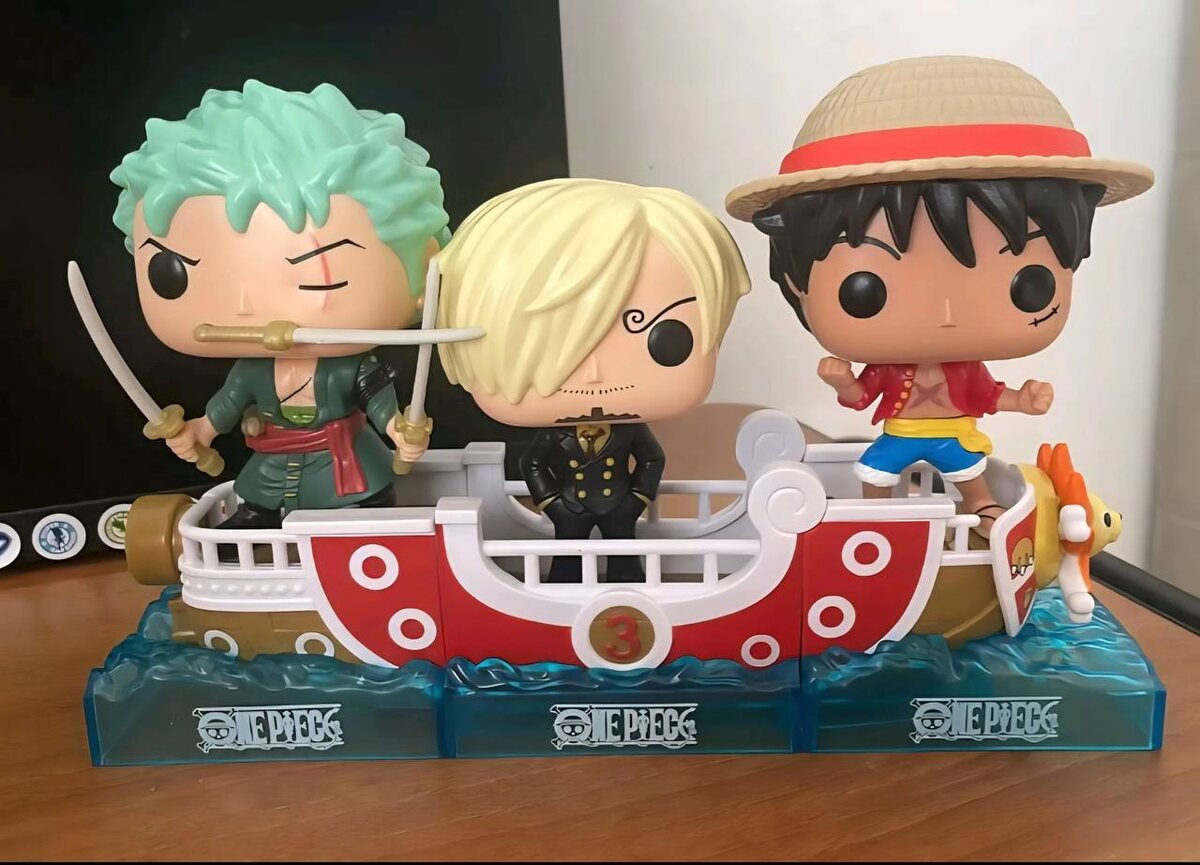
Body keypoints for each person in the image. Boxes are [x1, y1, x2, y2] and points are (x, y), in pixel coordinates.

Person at [725, 56, 1153, 534]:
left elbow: (989, 395)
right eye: (865, 291)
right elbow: (862, 396)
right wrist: (842, 381)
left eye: (1028, 284)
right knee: (873, 472)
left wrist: (1022, 400)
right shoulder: (890, 369)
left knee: (971, 474)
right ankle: (876, 517)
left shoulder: (963, 371)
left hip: (953, 436)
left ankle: (983, 508)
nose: (947, 313)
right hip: (899, 435)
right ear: (795, 282)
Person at [110, 80, 450, 528]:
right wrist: (198, 431)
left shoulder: (351, 368)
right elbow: (226, 405)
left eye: (316, 273)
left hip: (346, 468)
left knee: (362, 523)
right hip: (272, 466)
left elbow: (380, 404)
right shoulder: (252, 370)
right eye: (170, 272)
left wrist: (400, 432)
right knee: (253, 517)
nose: (245, 306)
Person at [436, 178, 750, 581]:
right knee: (566, 561)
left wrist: (637, 498)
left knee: (626, 560)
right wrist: (551, 502)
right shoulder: (554, 435)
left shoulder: (629, 430)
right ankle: (561, 591)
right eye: (553, 347)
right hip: (570, 506)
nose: (595, 375)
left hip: (619, 505)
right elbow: (532, 462)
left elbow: (652, 458)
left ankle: (630, 587)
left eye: (665, 339)